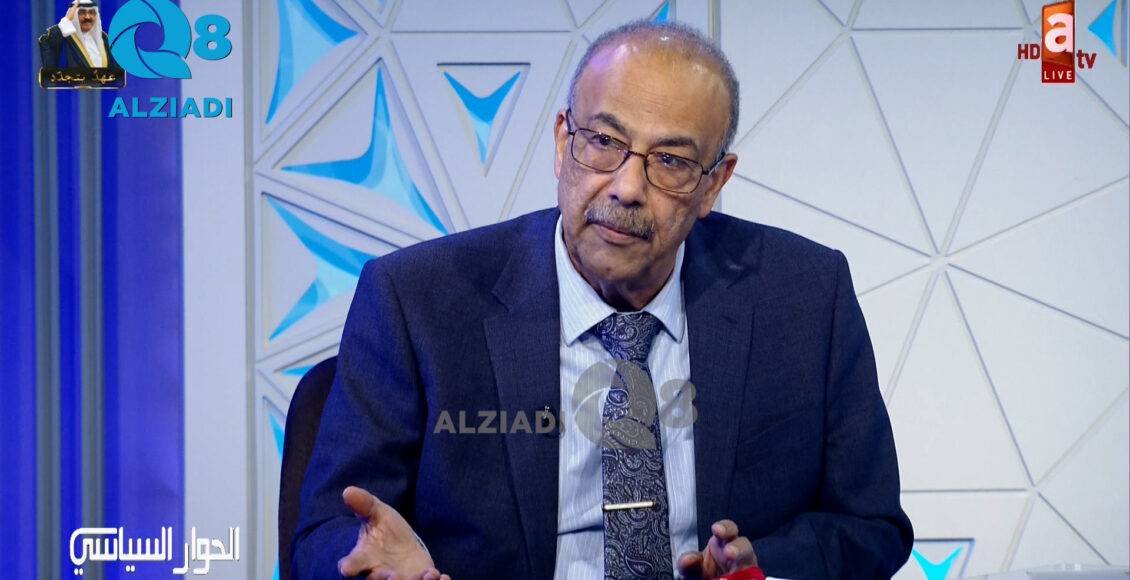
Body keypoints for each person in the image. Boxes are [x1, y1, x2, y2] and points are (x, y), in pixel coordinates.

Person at [293, 19, 913, 580]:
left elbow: (871, 525)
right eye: (604, 142)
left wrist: (761, 569)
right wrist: (376, 566)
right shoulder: (418, 299)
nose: (627, 187)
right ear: (562, 141)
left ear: (713, 185)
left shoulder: (805, 296)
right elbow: (325, 532)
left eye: (670, 161)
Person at [38, 0, 118, 69]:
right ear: (73, 15)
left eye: (91, 13)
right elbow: (49, 56)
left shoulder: (104, 39)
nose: (87, 17)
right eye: (82, 13)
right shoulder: (64, 39)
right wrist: (67, 20)